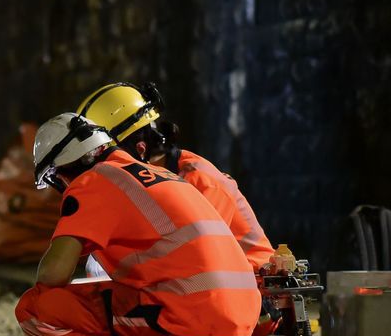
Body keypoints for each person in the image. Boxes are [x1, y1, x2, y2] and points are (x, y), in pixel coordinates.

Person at [14, 114, 262, 336]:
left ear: (64, 169)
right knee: (133, 298)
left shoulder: (91, 183)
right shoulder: (162, 175)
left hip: (190, 324)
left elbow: (52, 275)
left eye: (55, 179)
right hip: (245, 321)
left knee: (35, 308)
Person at [78, 82, 279, 336]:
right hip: (211, 297)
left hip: (248, 302)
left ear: (134, 145)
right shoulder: (153, 180)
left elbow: (204, 264)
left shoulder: (197, 179)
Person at [76, 82, 273, 269]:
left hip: (254, 284)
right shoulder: (148, 183)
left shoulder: (201, 182)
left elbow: (199, 254)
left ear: (136, 147)